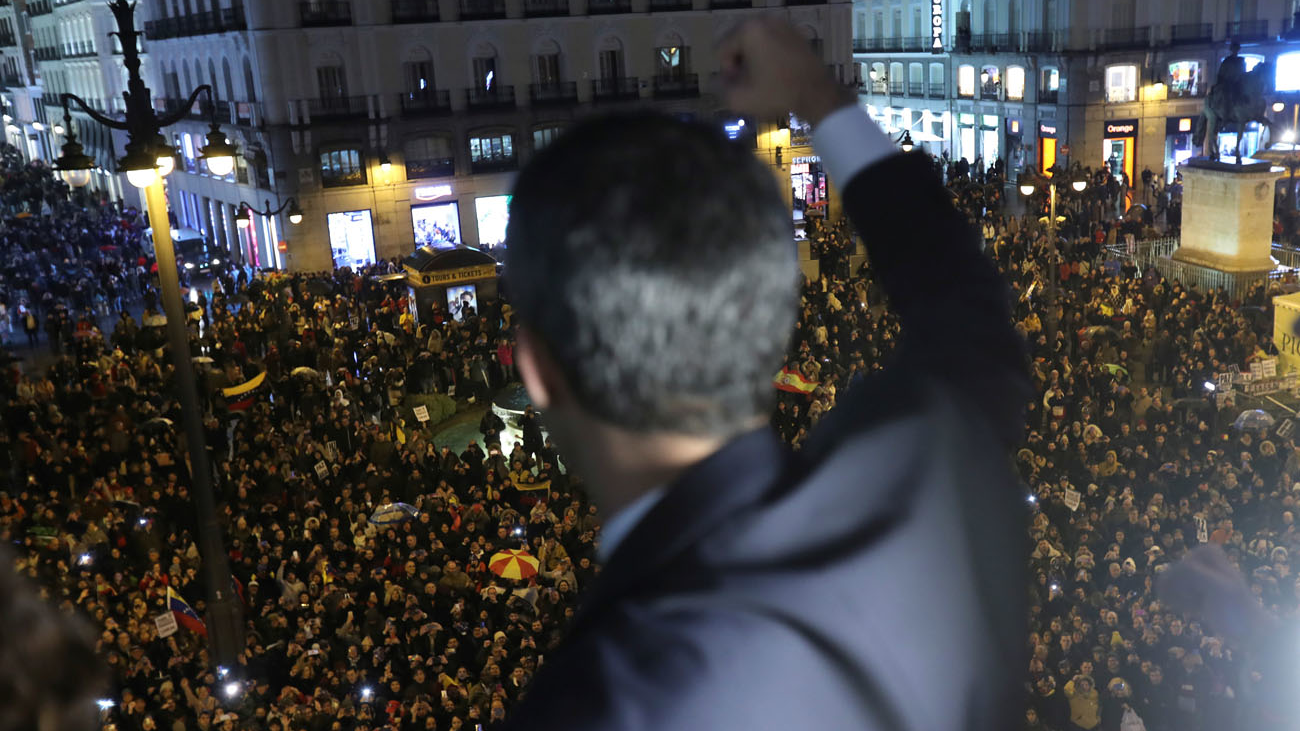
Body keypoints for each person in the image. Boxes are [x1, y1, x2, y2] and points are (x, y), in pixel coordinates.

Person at [499, 17, 1028, 730]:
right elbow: (968, 316)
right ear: (770, 317)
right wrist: (815, 95)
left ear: (535, 370)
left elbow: (965, 313)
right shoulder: (920, 475)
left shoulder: (601, 700)